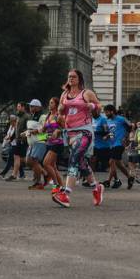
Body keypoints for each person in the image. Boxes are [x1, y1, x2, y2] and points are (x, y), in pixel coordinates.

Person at [52, 69, 104, 208]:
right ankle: (96, 187)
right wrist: (61, 111)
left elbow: (99, 107)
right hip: (70, 133)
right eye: (69, 77)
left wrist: (91, 105)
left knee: (74, 158)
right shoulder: (65, 94)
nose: (71, 79)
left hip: (85, 131)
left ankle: (66, 193)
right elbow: (60, 113)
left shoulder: (86, 93)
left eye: (73, 77)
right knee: (81, 163)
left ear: (79, 79)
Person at [103, 104, 130, 189]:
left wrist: (126, 138)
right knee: (118, 164)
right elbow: (111, 132)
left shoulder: (121, 119)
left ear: (112, 111)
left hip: (119, 144)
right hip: (112, 144)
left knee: (111, 162)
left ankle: (109, 181)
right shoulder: (108, 121)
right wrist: (107, 136)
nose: (105, 114)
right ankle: (130, 177)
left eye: (107, 112)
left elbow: (131, 126)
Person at [41, 97, 65, 191]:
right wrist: (33, 134)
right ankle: (62, 187)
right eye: (49, 102)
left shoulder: (58, 116)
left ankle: (55, 185)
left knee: (46, 163)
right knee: (53, 167)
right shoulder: (47, 116)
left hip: (57, 143)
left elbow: (65, 129)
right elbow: (43, 131)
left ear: (56, 104)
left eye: (51, 103)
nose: (49, 104)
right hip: (49, 143)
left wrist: (58, 130)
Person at [7, 102, 30, 181]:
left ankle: (39, 168)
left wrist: (24, 136)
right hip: (18, 140)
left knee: (22, 158)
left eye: (19, 106)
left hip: (23, 140)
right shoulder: (18, 116)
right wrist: (12, 138)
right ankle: (14, 175)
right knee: (17, 157)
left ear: (23, 107)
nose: (18, 108)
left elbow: (28, 129)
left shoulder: (27, 117)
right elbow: (16, 129)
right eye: (17, 106)